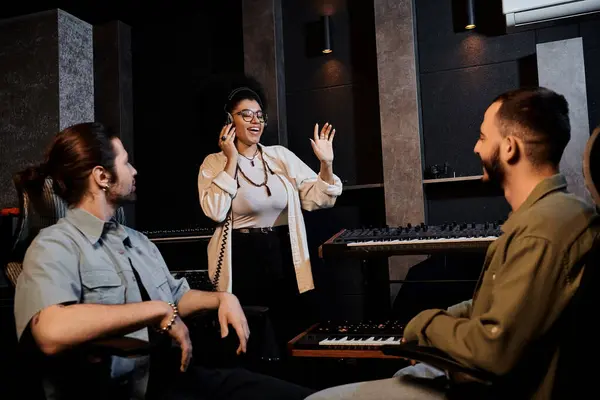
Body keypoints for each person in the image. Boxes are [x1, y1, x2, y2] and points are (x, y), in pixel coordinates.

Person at [306, 87, 600, 399]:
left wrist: (425, 325)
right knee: (408, 373)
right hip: (502, 375)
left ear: (510, 149)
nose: (475, 148)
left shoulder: (539, 233)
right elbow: (498, 307)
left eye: (483, 138)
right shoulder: (564, 212)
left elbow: (491, 350)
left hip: (499, 389)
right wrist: (448, 318)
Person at [13, 122, 315, 400]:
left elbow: (176, 297)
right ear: (102, 177)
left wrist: (222, 298)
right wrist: (156, 311)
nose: (134, 171)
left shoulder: (137, 241)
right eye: (126, 162)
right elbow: (50, 331)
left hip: (174, 377)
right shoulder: (54, 245)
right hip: (119, 391)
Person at [197, 84, 343, 351]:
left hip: (283, 255)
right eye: (246, 115)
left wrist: (326, 164)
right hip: (242, 259)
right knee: (251, 339)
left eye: (259, 115)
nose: (256, 121)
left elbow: (320, 198)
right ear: (230, 121)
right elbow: (215, 211)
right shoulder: (213, 163)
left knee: (289, 330)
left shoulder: (279, 156)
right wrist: (230, 159)